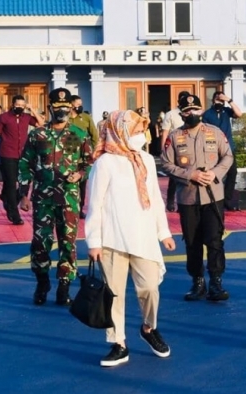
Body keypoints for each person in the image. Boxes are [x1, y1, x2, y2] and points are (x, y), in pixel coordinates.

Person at [86, 110, 176, 368]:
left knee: (150, 287)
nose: (141, 136)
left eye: (141, 131)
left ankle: (149, 328)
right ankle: (119, 343)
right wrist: (94, 240)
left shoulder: (146, 159)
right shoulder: (104, 163)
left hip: (143, 235)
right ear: (120, 132)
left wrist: (164, 232)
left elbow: (155, 199)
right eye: (136, 131)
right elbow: (95, 204)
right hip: (112, 238)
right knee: (113, 294)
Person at [19, 88, 92, 306]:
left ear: (71, 108)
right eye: (58, 107)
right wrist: (24, 194)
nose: (62, 110)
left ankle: (64, 286)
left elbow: (89, 162)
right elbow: (25, 163)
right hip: (43, 197)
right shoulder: (37, 134)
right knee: (41, 242)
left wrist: (79, 173)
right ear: (50, 107)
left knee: (68, 242)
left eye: (66, 107)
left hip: (69, 198)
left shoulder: (79, 134)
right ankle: (42, 283)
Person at [161, 94, 233, 301]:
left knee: (214, 240)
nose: (191, 114)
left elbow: (228, 156)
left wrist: (216, 173)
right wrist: (189, 175)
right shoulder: (174, 137)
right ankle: (197, 281)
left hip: (213, 196)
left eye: (195, 110)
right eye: (187, 111)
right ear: (181, 113)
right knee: (192, 242)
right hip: (189, 197)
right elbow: (166, 164)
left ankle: (216, 282)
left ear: (201, 111)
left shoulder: (215, 133)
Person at [0, 95, 44, 225]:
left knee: (25, 180)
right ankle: (14, 214)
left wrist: (32, 109)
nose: (20, 108)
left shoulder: (26, 117)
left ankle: (6, 196)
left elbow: (41, 124)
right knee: (11, 183)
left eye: (22, 106)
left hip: (24, 155)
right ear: (12, 105)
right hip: (7, 154)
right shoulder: (4, 117)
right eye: (18, 105)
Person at [202, 91, 243, 211]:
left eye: (221, 100)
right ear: (213, 100)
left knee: (232, 172)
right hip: (213, 148)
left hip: (229, 147)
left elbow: (239, 114)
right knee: (215, 173)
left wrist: (229, 100)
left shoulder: (226, 111)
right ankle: (213, 198)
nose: (219, 102)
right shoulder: (208, 114)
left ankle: (227, 200)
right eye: (217, 100)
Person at [69, 95, 99, 219]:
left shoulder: (86, 118)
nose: (80, 106)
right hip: (69, 158)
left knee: (82, 185)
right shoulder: (65, 119)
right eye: (77, 104)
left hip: (83, 158)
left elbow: (94, 135)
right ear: (71, 105)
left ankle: (80, 209)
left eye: (81, 103)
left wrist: (93, 151)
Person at [160, 91, 190, 212]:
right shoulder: (171, 114)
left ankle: (185, 202)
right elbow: (165, 132)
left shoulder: (193, 112)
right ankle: (171, 202)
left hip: (189, 148)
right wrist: (163, 148)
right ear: (178, 101)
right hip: (174, 147)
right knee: (174, 176)